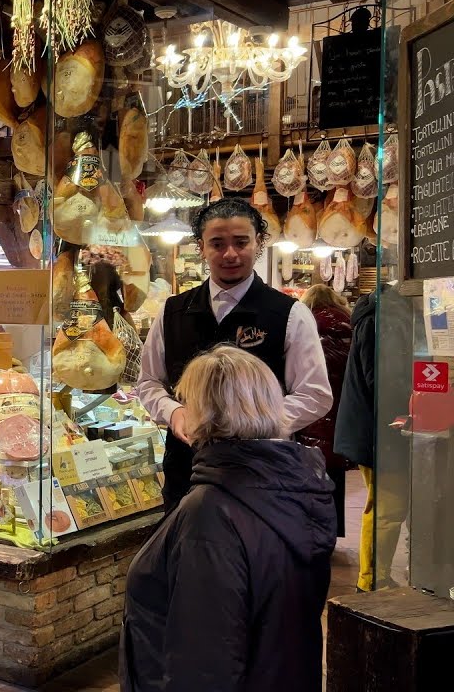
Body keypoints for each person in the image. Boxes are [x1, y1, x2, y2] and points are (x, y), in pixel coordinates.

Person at [119, 345, 336, 692]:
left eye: (187, 401)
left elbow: (204, 665)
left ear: (206, 413)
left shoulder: (211, 514)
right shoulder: (297, 487)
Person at [134, 197, 333, 512]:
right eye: (217, 244)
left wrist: (257, 423)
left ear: (259, 243)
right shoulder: (174, 311)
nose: (230, 254)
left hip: (261, 474)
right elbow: (147, 382)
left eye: (241, 242)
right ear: (202, 248)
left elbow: (315, 394)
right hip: (187, 472)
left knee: (255, 557)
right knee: (188, 555)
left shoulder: (288, 314)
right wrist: (173, 412)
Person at [336, 283, 415, 591]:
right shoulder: (387, 316)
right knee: (387, 507)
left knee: (385, 506)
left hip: (378, 427)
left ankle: (374, 578)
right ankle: (371, 581)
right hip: (381, 430)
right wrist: (408, 414)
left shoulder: (387, 313)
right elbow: (385, 379)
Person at [294, 284, 354, 537]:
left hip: (310, 414)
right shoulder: (351, 328)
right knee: (334, 474)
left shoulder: (304, 329)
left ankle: (309, 530)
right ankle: (333, 528)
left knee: (308, 473)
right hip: (342, 411)